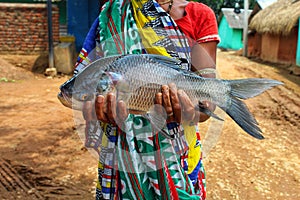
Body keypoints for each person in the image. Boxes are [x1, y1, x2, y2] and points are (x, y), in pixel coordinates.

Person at [74, 0, 220, 199]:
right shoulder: (110, 15)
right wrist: (94, 109)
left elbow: (206, 105)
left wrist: (189, 111)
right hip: (120, 162)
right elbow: (81, 88)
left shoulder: (198, 15)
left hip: (180, 161)